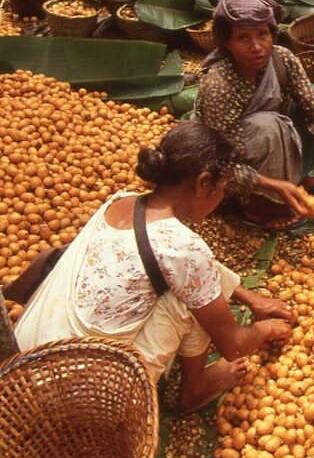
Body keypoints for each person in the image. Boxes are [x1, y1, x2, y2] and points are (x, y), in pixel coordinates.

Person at [14, 123, 293, 412]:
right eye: (222, 189)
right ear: (203, 183)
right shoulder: (183, 247)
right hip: (80, 401)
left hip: (24, 369)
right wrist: (264, 330)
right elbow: (234, 345)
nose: (222, 198)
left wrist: (248, 297)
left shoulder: (121, 201)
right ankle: (195, 391)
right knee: (187, 299)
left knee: (191, 281)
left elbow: (181, 264)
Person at [194, 0, 314, 229]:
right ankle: (255, 202)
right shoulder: (219, 85)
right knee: (269, 125)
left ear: (272, 33)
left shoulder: (282, 58)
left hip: (273, 139)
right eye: (243, 38)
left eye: (262, 34)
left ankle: (297, 176)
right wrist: (274, 186)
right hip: (232, 162)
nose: (256, 47)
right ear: (227, 43)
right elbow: (222, 165)